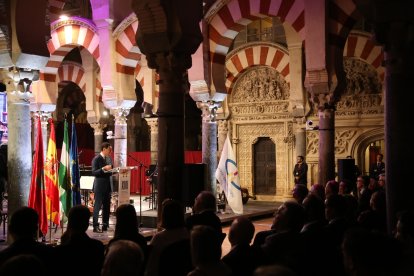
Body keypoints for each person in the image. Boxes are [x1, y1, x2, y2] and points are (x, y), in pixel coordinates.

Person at [91, 142, 113, 232]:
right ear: (104, 149)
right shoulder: (96, 159)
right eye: (109, 149)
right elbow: (94, 172)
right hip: (99, 186)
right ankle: (95, 226)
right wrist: (103, 169)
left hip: (107, 186)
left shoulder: (108, 159)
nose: (111, 151)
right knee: (97, 206)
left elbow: (110, 172)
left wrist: (116, 171)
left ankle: (105, 224)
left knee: (107, 206)